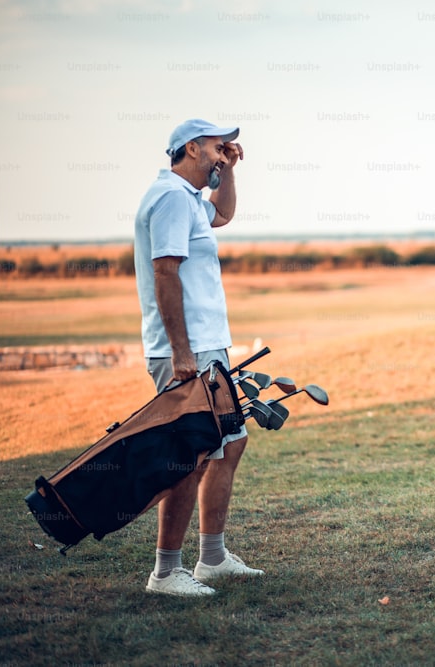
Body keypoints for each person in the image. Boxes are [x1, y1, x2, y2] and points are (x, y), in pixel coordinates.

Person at [133, 119, 263, 596]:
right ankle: (165, 573)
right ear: (191, 148)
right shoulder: (168, 198)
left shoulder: (187, 199)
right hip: (185, 350)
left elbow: (222, 216)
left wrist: (228, 170)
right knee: (190, 456)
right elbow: (165, 272)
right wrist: (182, 353)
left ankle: (212, 558)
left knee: (229, 444)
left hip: (208, 345)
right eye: (214, 147)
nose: (221, 151)